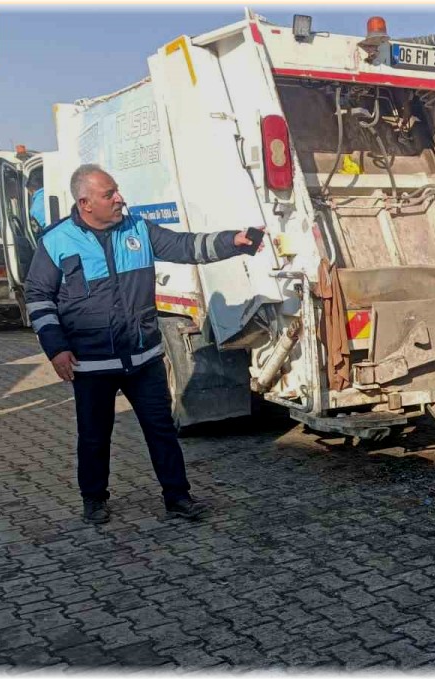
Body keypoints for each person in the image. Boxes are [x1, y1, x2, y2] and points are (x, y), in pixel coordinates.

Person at [24, 164, 263, 524]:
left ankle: (177, 498)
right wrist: (56, 347)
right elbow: (38, 296)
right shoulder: (56, 240)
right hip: (91, 363)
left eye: (117, 191)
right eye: (110, 194)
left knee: (161, 431)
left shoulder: (137, 228)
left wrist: (234, 240)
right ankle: (94, 498)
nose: (120, 198)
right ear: (86, 203)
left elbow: (185, 245)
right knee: (94, 436)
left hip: (144, 357)